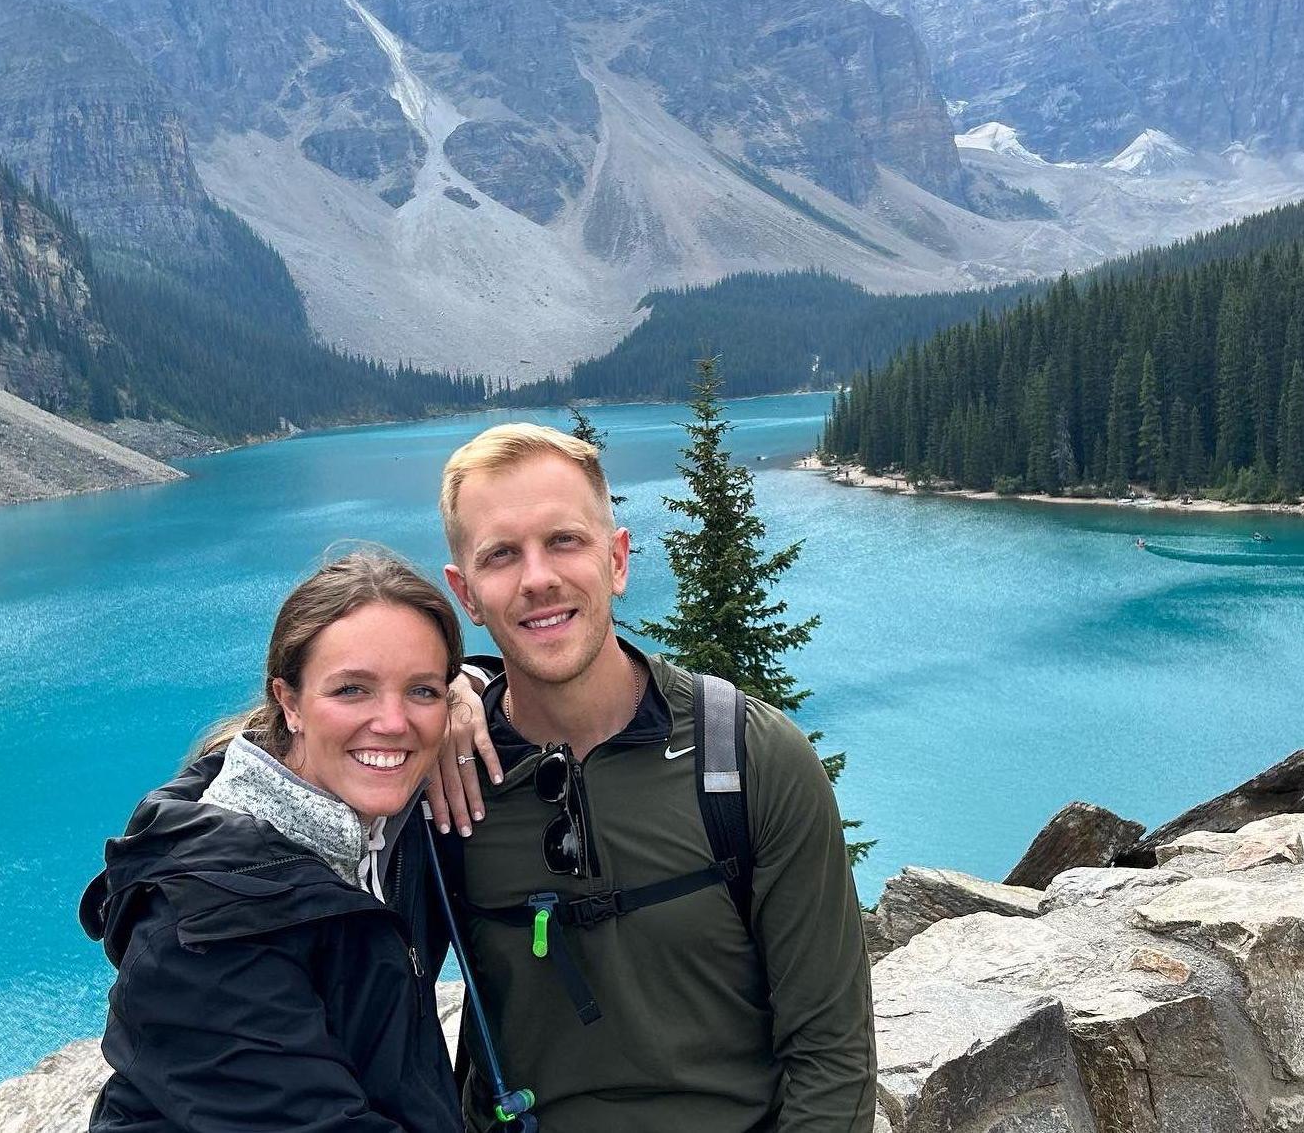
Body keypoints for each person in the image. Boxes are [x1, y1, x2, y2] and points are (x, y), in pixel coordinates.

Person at [436, 424, 876, 1133]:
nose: (537, 577)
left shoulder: (750, 760)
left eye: (564, 541)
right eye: (500, 555)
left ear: (616, 558)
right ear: (466, 594)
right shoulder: (447, 783)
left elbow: (832, 1053)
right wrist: (434, 692)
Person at [80, 550, 466, 1133]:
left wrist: (473, 692)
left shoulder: (373, 827)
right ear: (289, 703)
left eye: (423, 692)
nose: (392, 722)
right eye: (352, 690)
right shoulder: (207, 919)